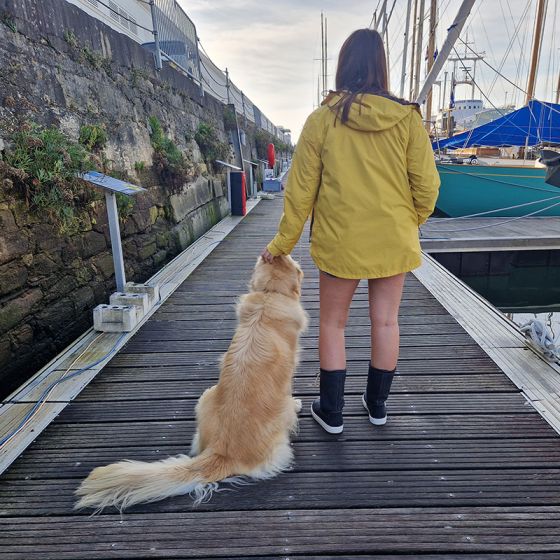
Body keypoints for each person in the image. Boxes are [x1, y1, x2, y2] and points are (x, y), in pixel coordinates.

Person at [261, 28, 440, 434]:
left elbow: (300, 192)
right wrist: (410, 223)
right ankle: (377, 406)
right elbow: (427, 187)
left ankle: (333, 411)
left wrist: (280, 245)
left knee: (333, 324)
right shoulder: (408, 118)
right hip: (393, 238)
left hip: (341, 239)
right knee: (387, 322)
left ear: (344, 65)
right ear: (381, 66)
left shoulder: (322, 120)